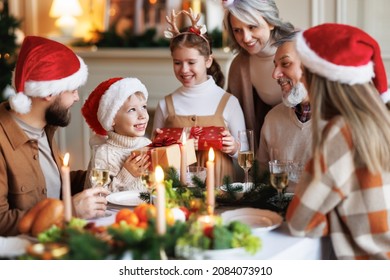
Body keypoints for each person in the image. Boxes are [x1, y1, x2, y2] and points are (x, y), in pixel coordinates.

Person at [286, 23, 390, 259]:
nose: (302, 80)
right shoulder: (382, 121)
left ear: (319, 80)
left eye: (305, 72)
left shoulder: (342, 133)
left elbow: (299, 222)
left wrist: (330, 220)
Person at [0, 36, 109, 236]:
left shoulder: (45, 127)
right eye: (73, 90)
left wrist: (111, 168)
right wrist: (70, 210)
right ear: (49, 93)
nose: (77, 97)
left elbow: (55, 184)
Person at [152, 9, 246, 187]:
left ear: (208, 61)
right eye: (177, 63)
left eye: (191, 62)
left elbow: (246, 156)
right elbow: (155, 156)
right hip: (176, 193)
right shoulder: (166, 104)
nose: (184, 70)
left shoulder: (228, 103)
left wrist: (234, 148)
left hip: (220, 193)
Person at [222, 0, 295, 154]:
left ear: (270, 22)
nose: (246, 38)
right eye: (237, 30)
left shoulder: (300, 46)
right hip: (272, 147)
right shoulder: (239, 66)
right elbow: (233, 117)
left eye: (252, 27)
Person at [257, 31, 314, 191]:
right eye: (275, 65)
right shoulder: (273, 119)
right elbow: (260, 181)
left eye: (286, 63)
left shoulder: (341, 121)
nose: (275, 74)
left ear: (311, 66)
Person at [81, 77, 151, 192]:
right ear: (112, 119)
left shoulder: (148, 144)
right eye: (132, 109)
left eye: (144, 107)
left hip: (146, 209)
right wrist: (126, 175)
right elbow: (98, 196)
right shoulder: (103, 154)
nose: (142, 115)